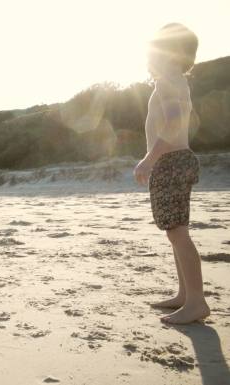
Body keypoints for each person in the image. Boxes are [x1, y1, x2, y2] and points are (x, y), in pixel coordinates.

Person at [133, 23, 209, 324]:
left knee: (177, 233)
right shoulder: (175, 81)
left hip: (172, 160)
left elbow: (174, 125)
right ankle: (185, 295)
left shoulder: (169, 83)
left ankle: (196, 302)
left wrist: (148, 159)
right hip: (178, 159)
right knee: (176, 232)